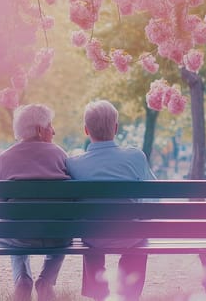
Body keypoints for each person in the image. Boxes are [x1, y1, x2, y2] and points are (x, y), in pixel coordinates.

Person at [66, 100, 156, 301]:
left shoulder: (73, 164)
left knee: (89, 232)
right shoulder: (135, 157)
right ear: (116, 128)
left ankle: (99, 294)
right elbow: (154, 197)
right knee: (140, 234)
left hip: (93, 238)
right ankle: (129, 293)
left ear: (86, 130)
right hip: (131, 236)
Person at [0, 104, 71, 301]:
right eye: (51, 126)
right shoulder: (61, 155)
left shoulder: (3, 159)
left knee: (10, 227)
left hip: (19, 237)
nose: (54, 131)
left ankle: (22, 278)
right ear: (41, 130)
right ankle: (47, 279)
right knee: (66, 232)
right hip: (56, 236)